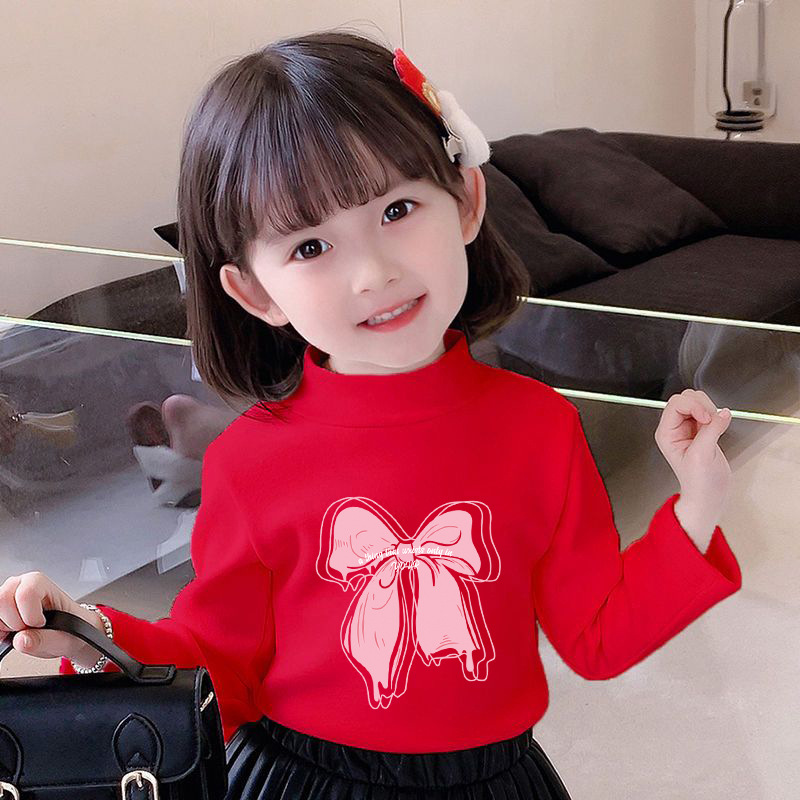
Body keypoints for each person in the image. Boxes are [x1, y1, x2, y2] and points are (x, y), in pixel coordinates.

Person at [0, 29, 742, 799]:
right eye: (310, 247)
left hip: (496, 781)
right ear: (254, 291)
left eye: (397, 208)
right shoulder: (248, 461)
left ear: (467, 201)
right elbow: (220, 668)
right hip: (299, 781)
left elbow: (598, 638)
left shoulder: (541, 425)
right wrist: (90, 635)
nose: (372, 272)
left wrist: (698, 503)